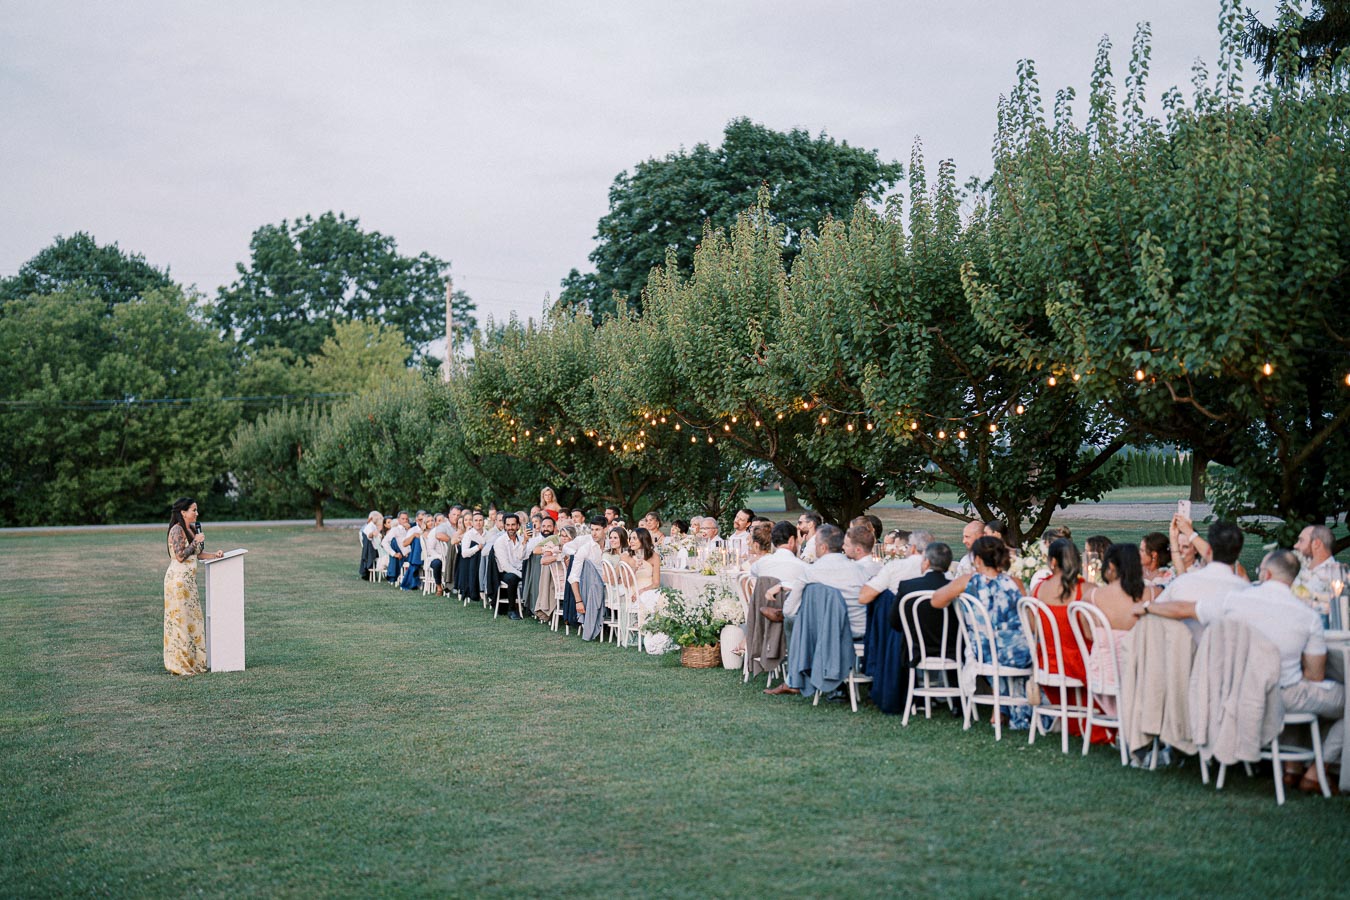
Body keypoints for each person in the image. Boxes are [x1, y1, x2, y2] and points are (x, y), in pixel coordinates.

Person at [1145, 549, 1343, 792]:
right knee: (1314, 690)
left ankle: (1292, 769)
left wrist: (1148, 607)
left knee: (1294, 686)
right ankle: (1317, 770)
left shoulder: (1234, 601)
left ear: (1267, 574)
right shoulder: (1308, 615)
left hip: (1235, 689)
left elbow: (1183, 609)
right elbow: (1315, 676)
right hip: (1281, 696)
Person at [932, 536, 1032, 729]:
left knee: (988, 648)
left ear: (977, 559)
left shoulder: (968, 581)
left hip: (985, 652)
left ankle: (999, 708)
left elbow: (936, 600)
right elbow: (1027, 618)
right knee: (1014, 645)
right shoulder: (1015, 582)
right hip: (1019, 653)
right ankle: (1003, 708)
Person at [1081, 542, 1149, 717]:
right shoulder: (1153, 594)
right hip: (1142, 676)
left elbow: (1088, 634)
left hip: (1103, 676)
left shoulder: (1092, 596)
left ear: (1110, 565)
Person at [1150, 521, 1249, 638]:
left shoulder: (1184, 582)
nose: (1180, 549)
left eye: (1185, 546)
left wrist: (1145, 606)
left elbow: (1155, 611)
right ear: (1239, 553)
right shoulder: (1245, 591)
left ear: (1207, 551)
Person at [163, 498, 222, 676]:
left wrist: (215, 555)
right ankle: (180, 665)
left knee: (192, 622)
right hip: (178, 582)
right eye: (193, 510)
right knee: (180, 623)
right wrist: (195, 541)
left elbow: (197, 555)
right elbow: (181, 556)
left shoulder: (190, 529)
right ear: (183, 512)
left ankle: (195, 662)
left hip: (189, 584)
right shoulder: (176, 530)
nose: (196, 513)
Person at [889, 542, 959, 659]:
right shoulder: (954, 589)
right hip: (951, 650)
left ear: (926, 562)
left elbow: (894, 622)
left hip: (916, 650)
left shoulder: (907, 586)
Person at [860, 531, 935, 606]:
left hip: (900, 614)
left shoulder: (894, 566)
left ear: (913, 548)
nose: (895, 550)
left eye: (898, 547)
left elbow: (864, 597)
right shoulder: (940, 569)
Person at [1293, 523, 1340, 607]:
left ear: (1316, 544)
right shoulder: (1301, 569)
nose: (1295, 545)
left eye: (1301, 540)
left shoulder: (1335, 576)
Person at [492, 514, 527, 618]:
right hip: (504, 573)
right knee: (512, 578)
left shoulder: (522, 539)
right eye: (508, 525)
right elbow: (505, 566)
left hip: (519, 570)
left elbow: (522, 557)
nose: (510, 527)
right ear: (504, 526)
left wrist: (525, 542)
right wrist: (522, 575)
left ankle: (531, 608)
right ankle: (511, 610)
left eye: (513, 525)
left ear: (518, 526)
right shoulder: (500, 542)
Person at [359, 510, 381, 579]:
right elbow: (370, 535)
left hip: (370, 549)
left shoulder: (370, 526)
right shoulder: (370, 527)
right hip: (372, 550)